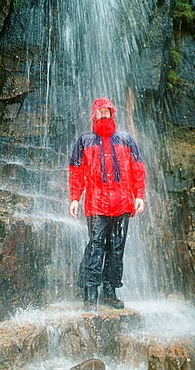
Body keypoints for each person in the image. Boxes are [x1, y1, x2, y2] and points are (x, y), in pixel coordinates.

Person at [69, 97, 146, 311]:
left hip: (122, 202)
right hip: (95, 204)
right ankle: (90, 292)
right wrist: (75, 198)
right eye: (99, 111)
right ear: (94, 114)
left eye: (107, 111)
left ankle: (110, 291)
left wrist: (139, 194)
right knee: (95, 247)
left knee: (116, 249)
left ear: (112, 113)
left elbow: (137, 168)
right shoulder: (85, 141)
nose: (103, 114)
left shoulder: (126, 139)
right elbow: (76, 173)